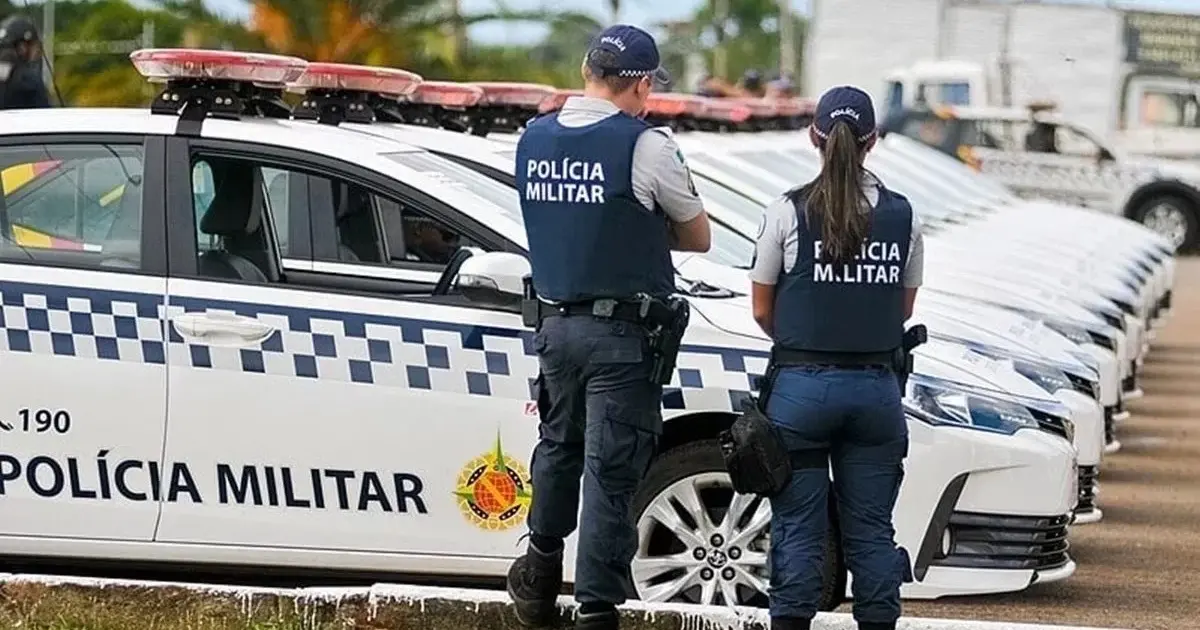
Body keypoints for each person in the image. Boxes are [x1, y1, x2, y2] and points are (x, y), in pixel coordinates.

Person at [507, 23, 712, 630]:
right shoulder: (647, 146)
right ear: (642, 84)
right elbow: (698, 236)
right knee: (609, 473)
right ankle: (596, 609)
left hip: (555, 328)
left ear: (585, 73)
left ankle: (539, 573)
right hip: (623, 338)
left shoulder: (532, 138)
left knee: (557, 450)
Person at [748, 85, 922, 630]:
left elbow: (761, 307)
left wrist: (807, 339)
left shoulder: (786, 210)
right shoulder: (902, 215)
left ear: (813, 138)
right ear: (873, 141)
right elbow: (901, 306)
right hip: (876, 391)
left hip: (800, 390)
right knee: (871, 530)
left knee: (798, 527)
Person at [0, 14, 51, 110]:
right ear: (22, 47)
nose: (37, 51)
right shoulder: (28, 81)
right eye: (34, 45)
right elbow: (45, 118)